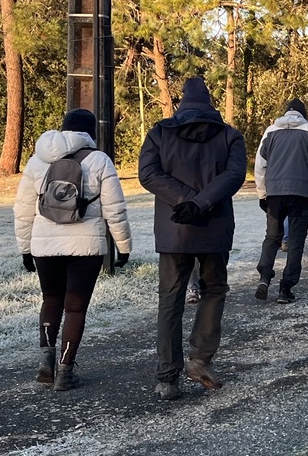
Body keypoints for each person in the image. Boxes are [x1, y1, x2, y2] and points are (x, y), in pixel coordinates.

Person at [138, 76, 247, 400]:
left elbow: (148, 173)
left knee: (170, 300)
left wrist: (185, 201)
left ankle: (167, 378)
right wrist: (200, 203)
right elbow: (234, 175)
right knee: (214, 290)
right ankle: (200, 359)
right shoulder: (229, 136)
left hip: (175, 230)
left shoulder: (160, 133)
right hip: (214, 227)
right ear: (209, 101)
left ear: (181, 102)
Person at [13, 109, 133, 390]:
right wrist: (123, 246)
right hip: (86, 246)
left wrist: (25, 248)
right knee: (76, 308)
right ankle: (65, 372)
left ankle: (45, 364)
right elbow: (115, 210)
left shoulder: (37, 160)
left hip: (44, 246)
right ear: (90, 132)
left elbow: (22, 210)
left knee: (51, 300)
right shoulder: (99, 160)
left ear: (64, 128)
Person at [253, 99, 308, 303]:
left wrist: (262, 194)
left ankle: (264, 276)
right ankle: (285, 288)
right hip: (300, 193)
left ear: (285, 113)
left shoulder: (270, 131)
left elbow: (260, 166)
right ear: (303, 114)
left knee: (272, 237)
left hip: (274, 193)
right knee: (296, 241)